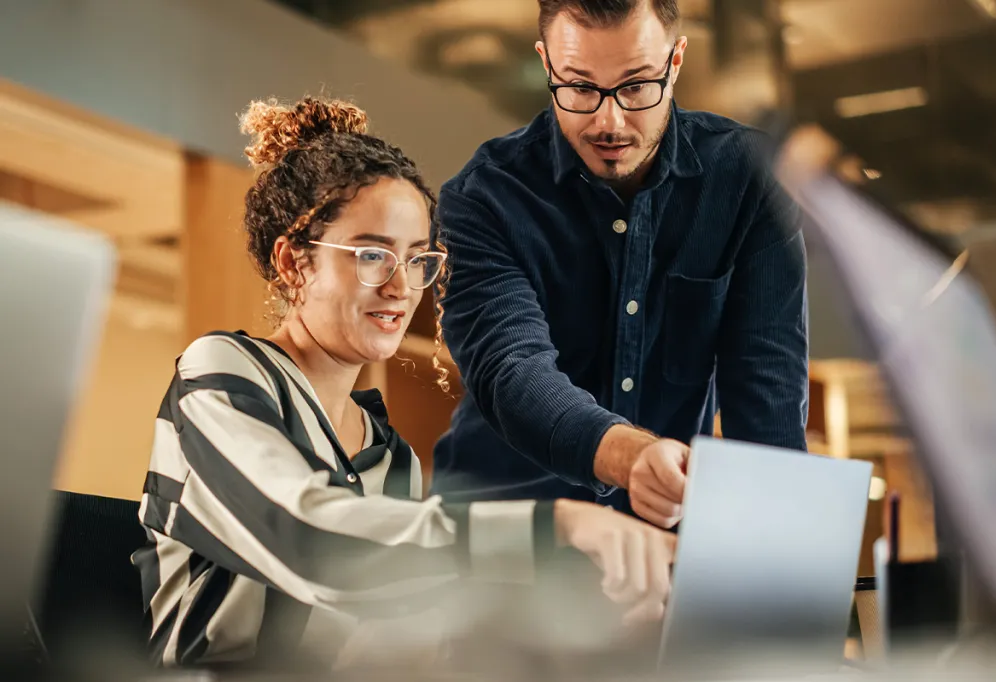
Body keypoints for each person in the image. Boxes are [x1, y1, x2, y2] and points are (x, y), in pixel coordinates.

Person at [131, 96, 675, 670]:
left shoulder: (390, 457)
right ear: (293, 263)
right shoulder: (221, 371)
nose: (401, 288)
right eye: (372, 255)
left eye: (419, 261)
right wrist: (554, 528)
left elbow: (391, 632)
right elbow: (308, 539)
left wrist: (574, 603)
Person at [430, 0, 809, 528]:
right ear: (546, 64)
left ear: (675, 61)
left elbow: (767, 396)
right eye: (580, 87)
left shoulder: (748, 181)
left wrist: (784, 564)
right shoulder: (483, 198)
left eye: (635, 86)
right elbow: (513, 371)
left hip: (659, 540)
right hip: (503, 534)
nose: (609, 122)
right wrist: (631, 457)